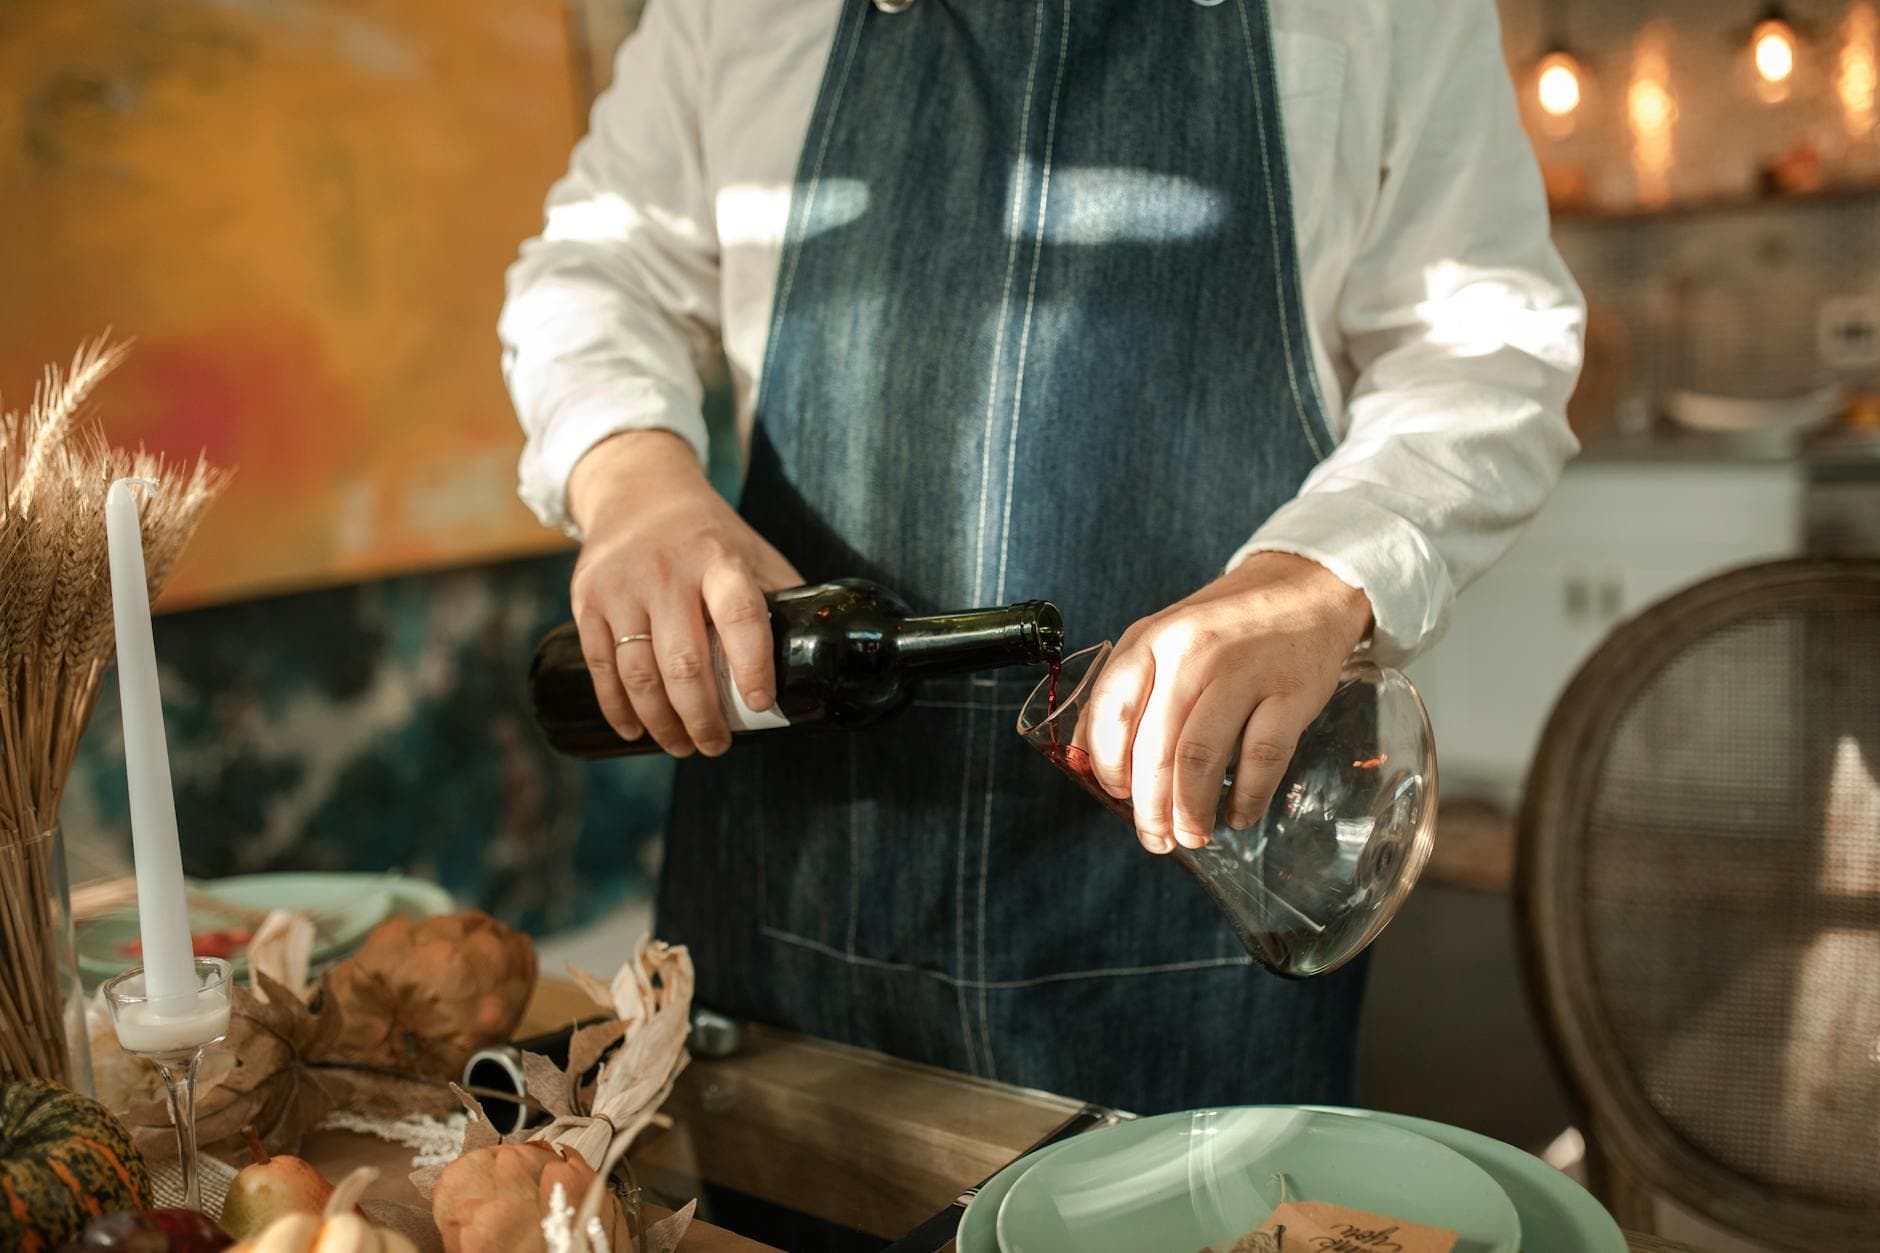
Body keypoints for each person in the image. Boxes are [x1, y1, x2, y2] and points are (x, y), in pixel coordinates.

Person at [500, 0, 1583, 1115]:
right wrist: (629, 479)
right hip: (794, 896)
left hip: (1196, 900)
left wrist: (1311, 578)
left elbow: (1484, 346)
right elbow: (595, 269)